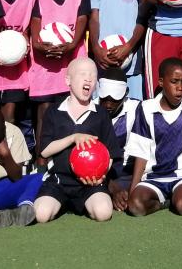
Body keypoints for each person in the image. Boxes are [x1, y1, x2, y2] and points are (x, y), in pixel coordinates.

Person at [34, 58, 120, 223]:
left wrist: (101, 176)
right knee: (41, 214)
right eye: (83, 74)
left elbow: (111, 153)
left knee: (103, 213)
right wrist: (73, 138)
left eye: (93, 76)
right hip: (58, 180)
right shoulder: (54, 111)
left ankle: (83, 202)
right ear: (68, 80)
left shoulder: (101, 114)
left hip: (90, 183)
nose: (88, 79)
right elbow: (44, 150)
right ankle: (61, 202)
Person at [28, 0, 91, 151]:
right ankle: (41, 157)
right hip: (44, 57)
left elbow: (83, 17)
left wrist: (72, 44)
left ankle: (70, 157)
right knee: (44, 109)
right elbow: (35, 19)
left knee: (72, 106)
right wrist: (39, 45)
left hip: (71, 55)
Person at [125, 58, 182, 216]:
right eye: (174, 81)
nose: (180, 88)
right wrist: (133, 189)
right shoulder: (146, 108)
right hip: (153, 177)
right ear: (161, 82)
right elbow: (141, 153)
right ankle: (163, 203)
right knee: (135, 207)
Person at [96, 67, 140, 212]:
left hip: (130, 174)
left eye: (115, 99)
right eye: (105, 99)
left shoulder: (138, 109)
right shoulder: (89, 109)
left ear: (126, 93)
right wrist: (112, 187)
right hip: (98, 176)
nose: (108, 105)